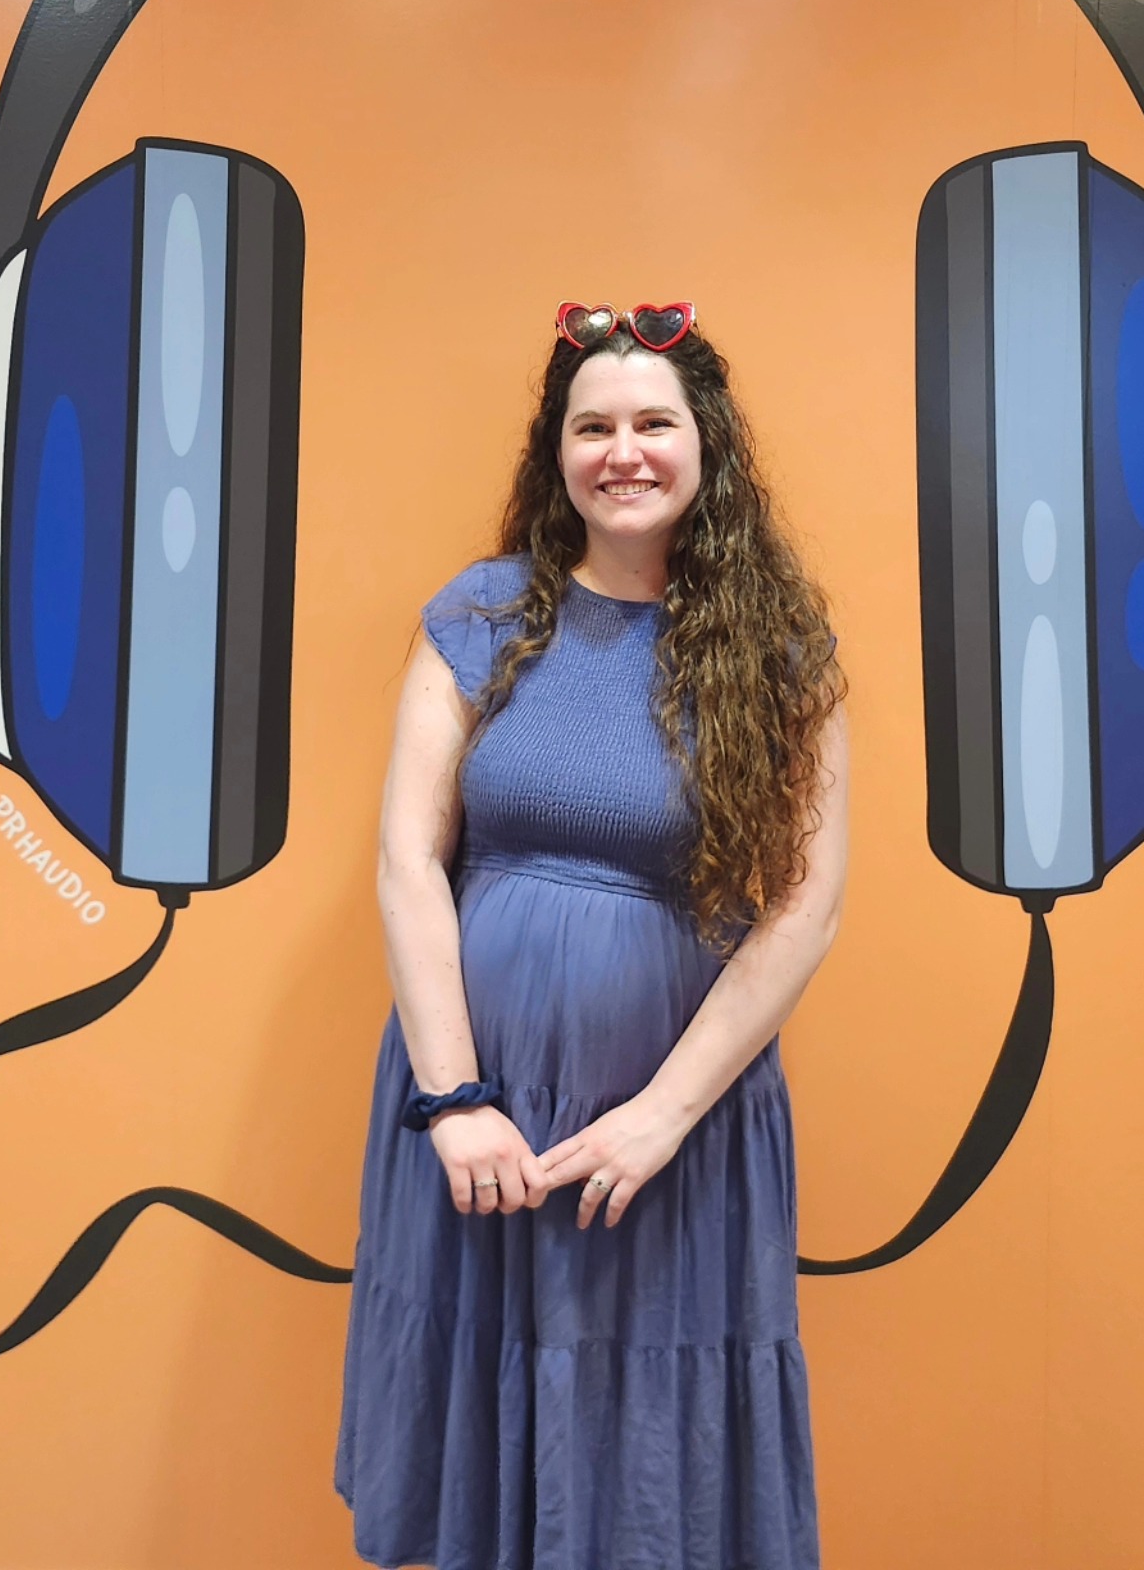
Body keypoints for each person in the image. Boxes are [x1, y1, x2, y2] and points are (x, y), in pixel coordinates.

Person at [335, 301, 849, 1570]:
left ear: (706, 444)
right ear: (555, 451)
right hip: (479, 1116)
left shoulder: (781, 652)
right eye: (592, 427)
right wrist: (454, 1098)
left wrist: (659, 1118)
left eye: (653, 424)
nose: (623, 452)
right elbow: (408, 859)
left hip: (670, 1133)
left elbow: (805, 906)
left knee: (648, 1475)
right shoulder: (485, 613)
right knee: (479, 1459)